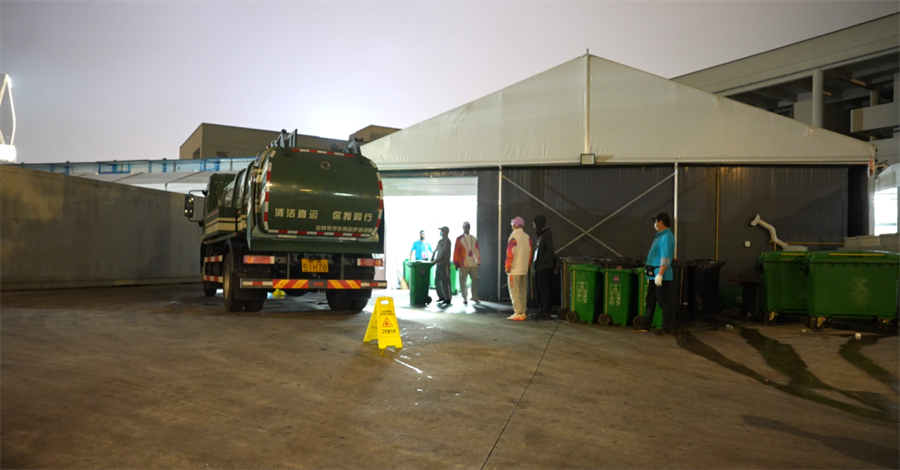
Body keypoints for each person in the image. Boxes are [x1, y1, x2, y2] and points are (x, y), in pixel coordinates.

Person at [635, 212, 676, 336]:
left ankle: (665, 328)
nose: (655, 224)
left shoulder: (667, 237)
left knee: (663, 302)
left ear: (661, 222)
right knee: (651, 299)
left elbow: (665, 257)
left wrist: (660, 274)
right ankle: (646, 325)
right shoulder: (659, 236)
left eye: (656, 221)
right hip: (654, 273)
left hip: (661, 273)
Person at [505, 217, 532, 321]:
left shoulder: (513, 237)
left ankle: (518, 312)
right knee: (523, 290)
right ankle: (523, 311)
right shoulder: (527, 237)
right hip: (524, 269)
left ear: (515, 225)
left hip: (515, 269)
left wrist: (507, 266)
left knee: (515, 291)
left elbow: (510, 253)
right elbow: (530, 254)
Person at [530, 215, 556, 320]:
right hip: (539, 268)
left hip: (544, 268)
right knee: (539, 290)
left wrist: (541, 261)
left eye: (534, 223)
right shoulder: (540, 236)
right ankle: (542, 310)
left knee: (544, 290)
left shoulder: (547, 234)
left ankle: (546, 311)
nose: (533, 225)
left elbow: (550, 251)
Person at [453, 221, 481, 305]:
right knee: (463, 281)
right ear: (463, 228)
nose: (467, 228)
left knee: (475, 280)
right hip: (463, 264)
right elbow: (456, 252)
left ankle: (474, 296)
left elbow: (476, 250)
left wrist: (478, 261)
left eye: (468, 226)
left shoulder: (473, 238)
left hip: (473, 263)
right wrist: (456, 263)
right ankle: (464, 297)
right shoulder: (459, 239)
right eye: (465, 227)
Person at [432, 226, 452, 306]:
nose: (440, 232)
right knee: (438, 281)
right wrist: (432, 258)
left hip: (444, 264)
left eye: (442, 231)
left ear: (446, 232)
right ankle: (441, 296)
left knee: (445, 282)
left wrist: (435, 261)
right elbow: (436, 250)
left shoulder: (447, 241)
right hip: (438, 264)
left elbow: (442, 253)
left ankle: (448, 298)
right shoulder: (440, 241)